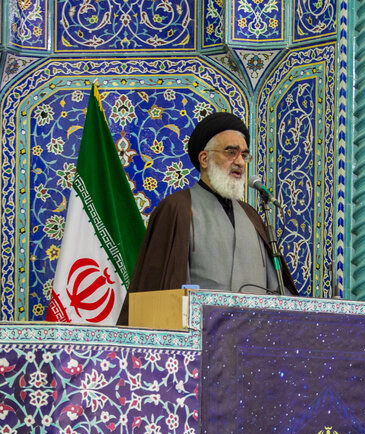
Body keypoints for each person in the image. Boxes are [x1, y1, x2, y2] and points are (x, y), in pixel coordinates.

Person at [119, 112, 297, 323]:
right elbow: (162, 289)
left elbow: (277, 291)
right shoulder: (177, 209)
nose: (240, 162)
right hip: (199, 337)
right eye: (231, 153)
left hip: (255, 337)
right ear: (204, 159)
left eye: (244, 155)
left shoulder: (252, 216)